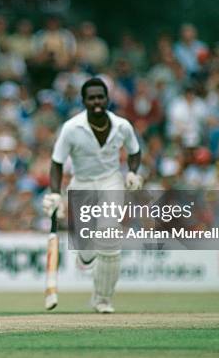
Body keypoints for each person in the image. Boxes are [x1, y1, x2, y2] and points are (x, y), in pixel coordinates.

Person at [42, 77, 142, 313]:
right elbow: (57, 163)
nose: (97, 101)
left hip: (111, 183)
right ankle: (86, 258)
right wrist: (55, 194)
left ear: (107, 99)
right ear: (84, 101)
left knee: (109, 240)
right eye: (92, 98)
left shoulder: (122, 126)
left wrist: (133, 173)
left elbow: (135, 152)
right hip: (82, 185)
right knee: (86, 252)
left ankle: (102, 299)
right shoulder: (71, 128)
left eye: (100, 97)